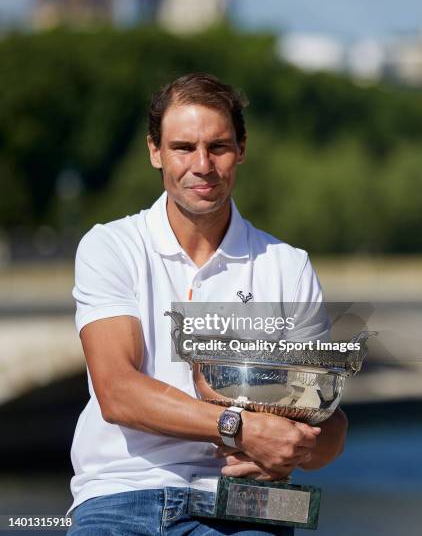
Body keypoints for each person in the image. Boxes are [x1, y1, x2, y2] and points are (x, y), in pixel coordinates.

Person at [67, 73, 347, 535]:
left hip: (247, 503)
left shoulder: (288, 266)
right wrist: (243, 428)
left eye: (217, 147)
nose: (202, 165)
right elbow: (117, 392)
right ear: (155, 151)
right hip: (122, 492)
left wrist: (295, 449)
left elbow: (329, 426)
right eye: (183, 147)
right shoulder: (110, 245)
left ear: (241, 149)